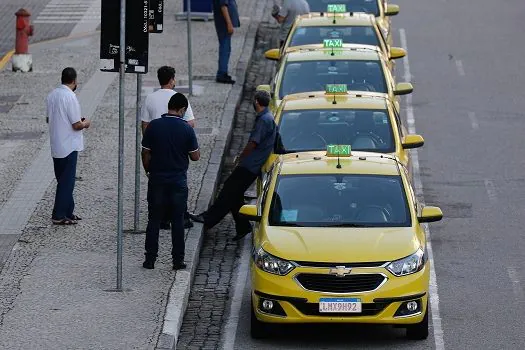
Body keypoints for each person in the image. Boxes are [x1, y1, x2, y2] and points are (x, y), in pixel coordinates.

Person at [189, 90, 276, 240]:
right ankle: (243, 227)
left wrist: (241, 157)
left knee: (228, 191)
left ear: (256, 102)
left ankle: (209, 218)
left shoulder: (264, 120)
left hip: (250, 165)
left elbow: (253, 142)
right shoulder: (268, 117)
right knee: (235, 195)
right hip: (253, 164)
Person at [141, 93, 200, 270]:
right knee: (177, 220)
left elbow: (145, 153)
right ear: (182, 110)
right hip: (178, 181)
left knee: (154, 219)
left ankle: (150, 259)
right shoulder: (186, 129)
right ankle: (177, 260)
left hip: (157, 178)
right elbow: (195, 156)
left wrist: (148, 171)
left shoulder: (154, 126)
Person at [141, 66, 195, 230]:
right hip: (177, 148)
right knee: (178, 182)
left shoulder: (150, 98)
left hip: (156, 147)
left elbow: (144, 125)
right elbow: (191, 123)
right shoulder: (179, 98)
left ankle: (162, 219)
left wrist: (150, 144)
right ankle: (180, 216)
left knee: (159, 185)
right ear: (172, 80)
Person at [46, 67, 91, 225]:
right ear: (74, 81)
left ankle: (68, 211)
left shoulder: (51, 95)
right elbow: (76, 125)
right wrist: (86, 123)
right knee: (67, 182)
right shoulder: (70, 97)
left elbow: (48, 119)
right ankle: (58, 215)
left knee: (63, 180)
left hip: (56, 144)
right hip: (69, 145)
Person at [213, 0, 240, 84]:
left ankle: (223, 72)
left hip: (223, 22)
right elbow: (223, 6)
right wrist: (229, 23)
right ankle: (222, 73)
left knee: (226, 48)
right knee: (225, 48)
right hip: (223, 23)